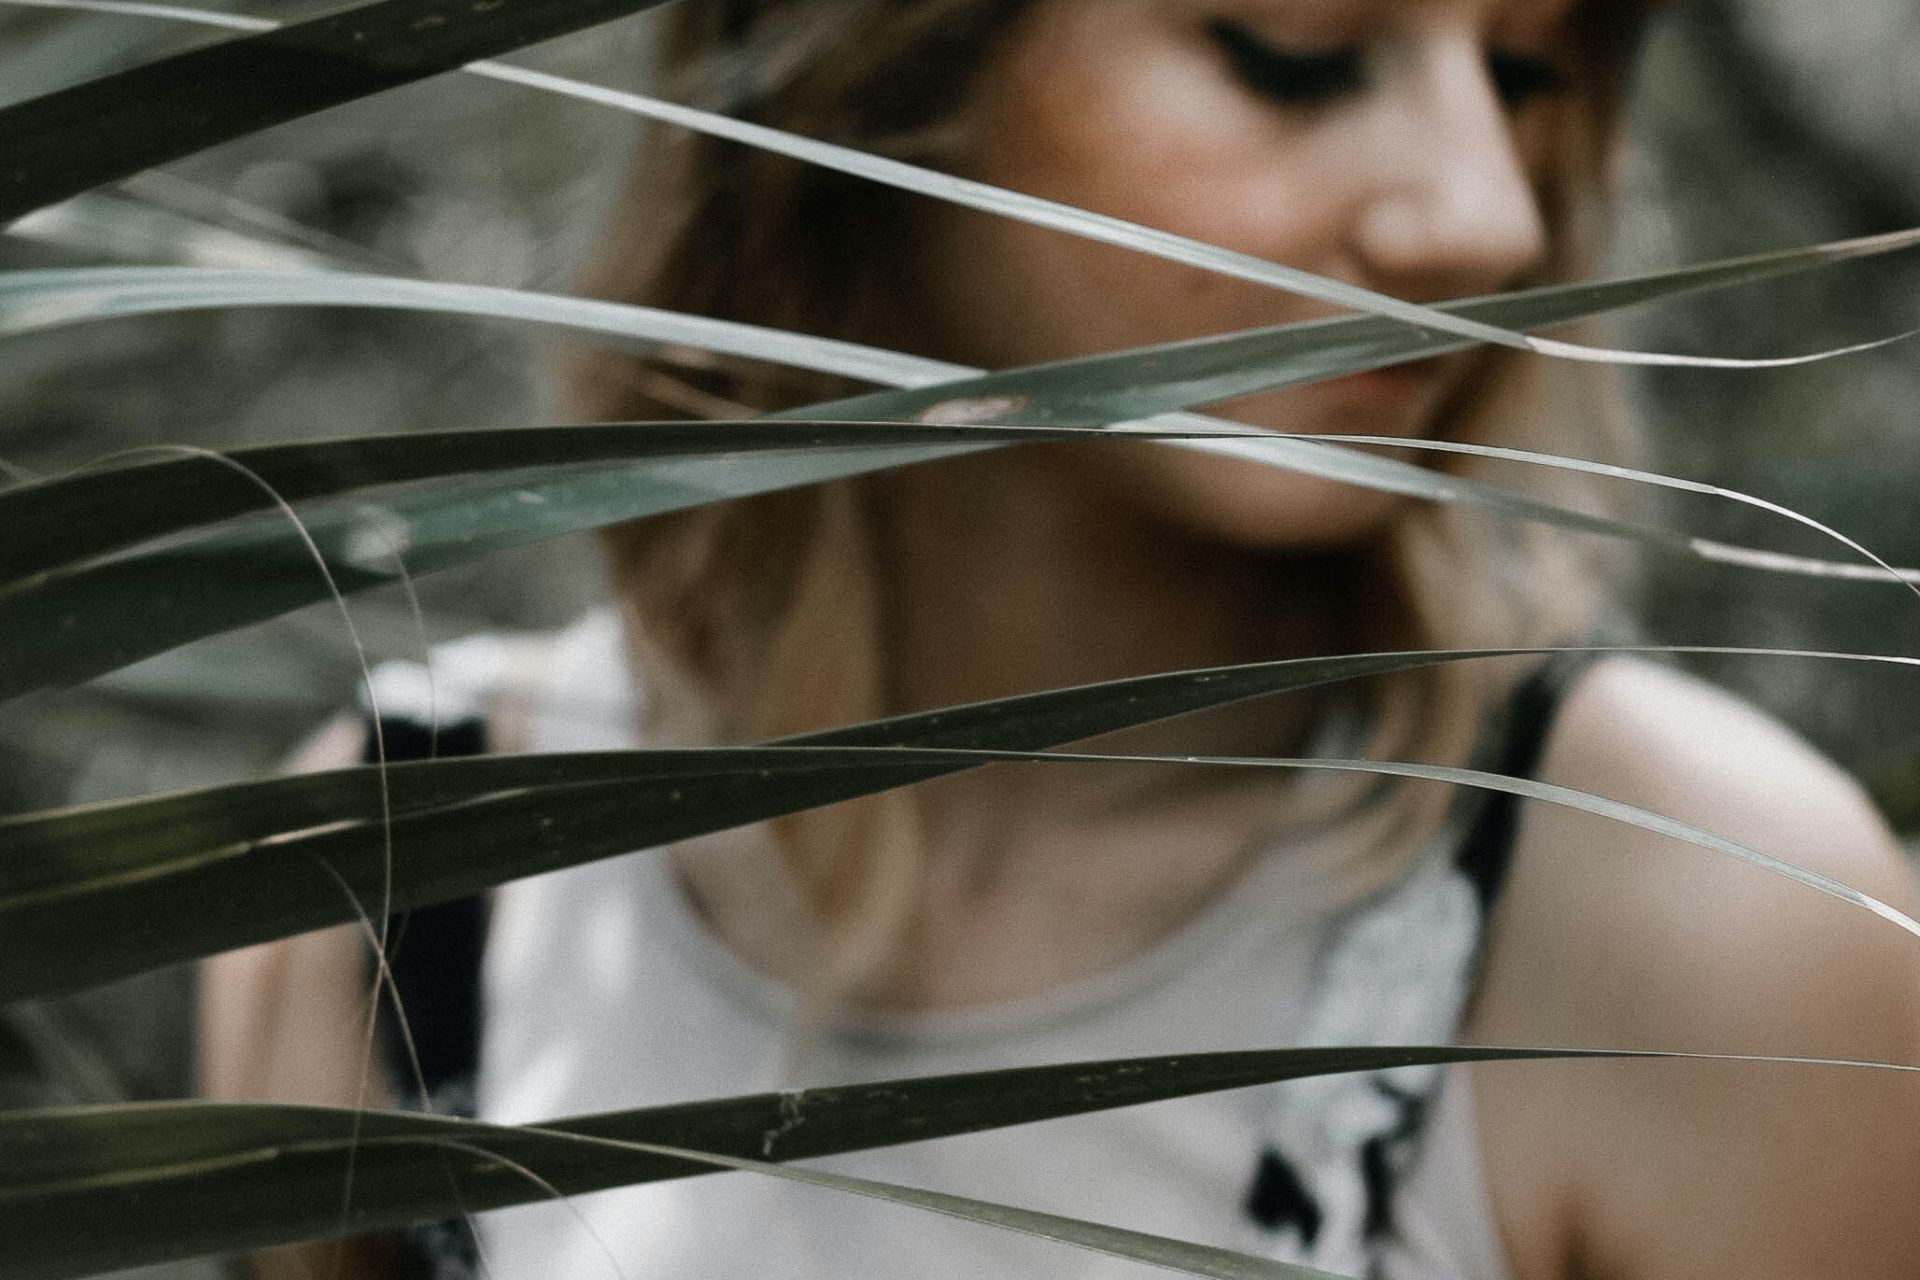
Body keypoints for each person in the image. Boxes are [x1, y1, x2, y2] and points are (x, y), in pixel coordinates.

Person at [200, 1, 1920, 1277]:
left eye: (1530, 71)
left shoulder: (1715, 941)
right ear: (866, 57)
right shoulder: (390, 881)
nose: (1486, 220)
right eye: (1295, 52)